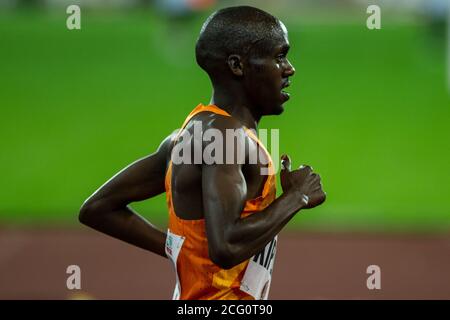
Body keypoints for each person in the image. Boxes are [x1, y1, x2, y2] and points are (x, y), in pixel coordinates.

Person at [79, 5, 326, 300]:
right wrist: (296, 197)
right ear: (238, 65)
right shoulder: (223, 136)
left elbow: (99, 208)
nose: (289, 69)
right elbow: (226, 248)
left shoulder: (192, 134)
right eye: (279, 56)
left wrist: (178, 249)